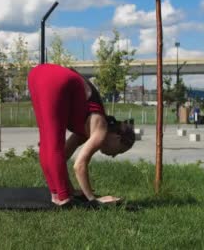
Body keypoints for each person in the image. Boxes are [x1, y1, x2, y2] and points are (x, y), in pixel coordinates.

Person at [28, 63, 136, 207]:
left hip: (37, 74)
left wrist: (71, 189)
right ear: (117, 137)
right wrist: (93, 200)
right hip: (57, 79)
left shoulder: (87, 130)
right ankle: (62, 198)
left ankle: (58, 194)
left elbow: (64, 156)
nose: (114, 156)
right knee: (53, 143)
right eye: (120, 150)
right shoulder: (100, 129)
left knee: (48, 142)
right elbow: (79, 165)